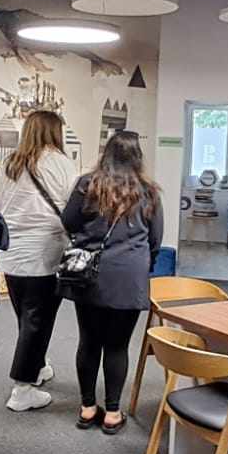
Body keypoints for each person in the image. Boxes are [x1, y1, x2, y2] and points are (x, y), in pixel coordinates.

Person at [60, 131, 162, 434]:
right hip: (129, 277)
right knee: (118, 345)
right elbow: (155, 240)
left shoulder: (87, 184)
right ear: (137, 156)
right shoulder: (148, 191)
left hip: (90, 274)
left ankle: (87, 408)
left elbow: (68, 221)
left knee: (89, 341)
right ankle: (113, 413)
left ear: (106, 153)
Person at [0, 110, 77, 412]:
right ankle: (22, 389)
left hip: (12, 254)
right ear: (55, 132)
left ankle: (36, 365)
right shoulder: (62, 163)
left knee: (26, 316)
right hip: (45, 253)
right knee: (38, 320)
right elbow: (74, 209)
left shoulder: (8, 164)